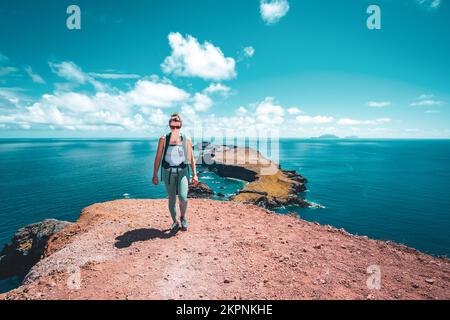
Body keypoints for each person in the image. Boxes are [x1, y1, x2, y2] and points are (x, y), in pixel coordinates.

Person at [152, 113, 198, 232]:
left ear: (181, 126)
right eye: (173, 127)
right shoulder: (163, 139)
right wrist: (155, 175)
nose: (175, 129)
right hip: (167, 172)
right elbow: (158, 157)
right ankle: (175, 222)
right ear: (169, 125)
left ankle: (183, 217)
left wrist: (195, 174)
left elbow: (192, 157)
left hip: (182, 171)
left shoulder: (186, 139)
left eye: (178, 127)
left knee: (183, 197)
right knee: (171, 198)